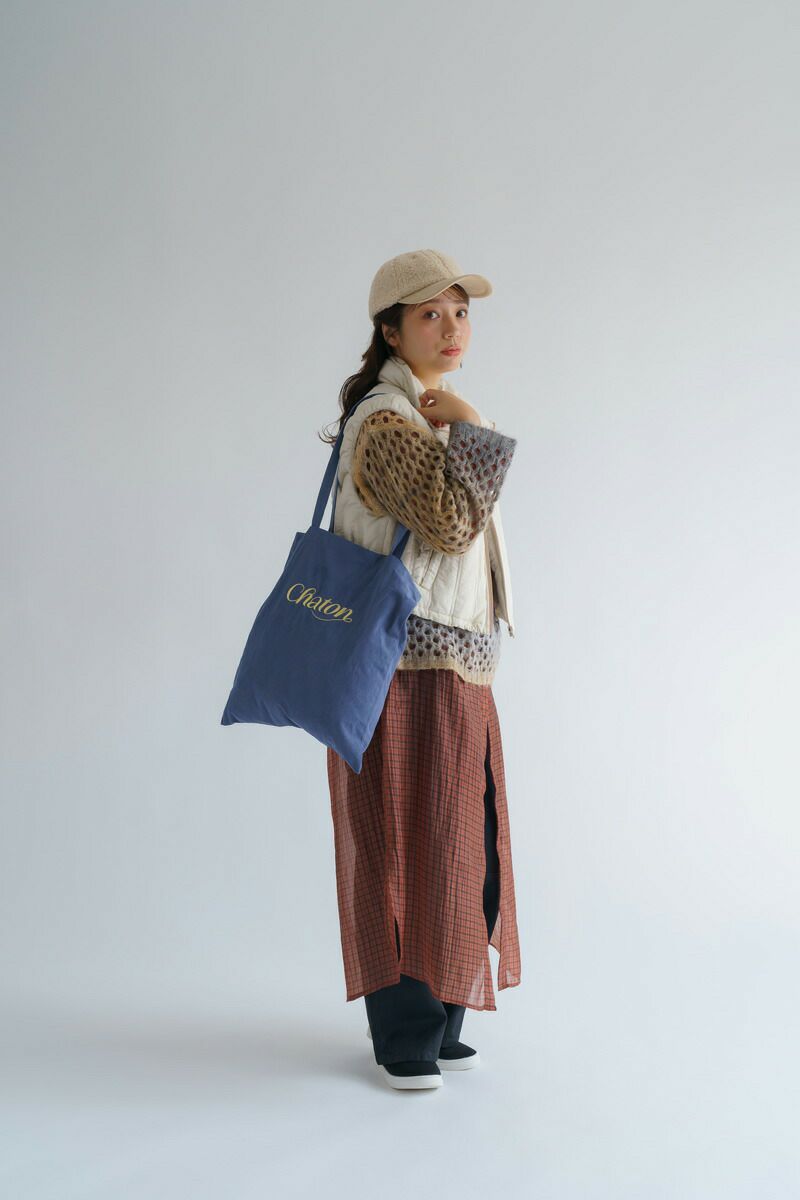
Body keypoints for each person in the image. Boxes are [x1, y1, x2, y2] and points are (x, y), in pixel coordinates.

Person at [322, 248, 522, 1091]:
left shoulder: (424, 416)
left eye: (460, 312)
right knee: (400, 840)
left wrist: (461, 425)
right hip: (399, 668)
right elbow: (448, 522)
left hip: (455, 663)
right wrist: (472, 425)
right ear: (391, 330)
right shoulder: (386, 420)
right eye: (431, 314)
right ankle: (405, 1035)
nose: (451, 328)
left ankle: (440, 1017)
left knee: (461, 845)